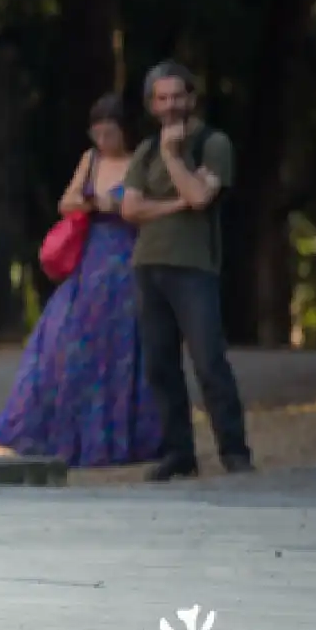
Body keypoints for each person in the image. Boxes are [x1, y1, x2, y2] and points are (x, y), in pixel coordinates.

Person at [0, 94, 163, 467]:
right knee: (63, 338)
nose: (103, 140)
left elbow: (146, 209)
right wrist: (93, 202)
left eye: (110, 133)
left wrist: (116, 205)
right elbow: (67, 202)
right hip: (90, 258)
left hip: (128, 256)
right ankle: (55, 431)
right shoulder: (91, 160)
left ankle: (125, 437)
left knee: (124, 342)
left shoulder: (142, 161)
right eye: (97, 133)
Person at [120, 61, 253, 481]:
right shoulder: (145, 150)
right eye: (162, 98)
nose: (171, 105)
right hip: (148, 264)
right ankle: (179, 452)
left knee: (209, 360)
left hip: (194, 266)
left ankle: (234, 451)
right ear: (151, 104)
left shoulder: (214, 144)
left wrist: (173, 157)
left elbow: (198, 196)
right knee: (160, 364)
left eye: (178, 96)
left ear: (191, 98)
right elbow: (129, 208)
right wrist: (174, 203)